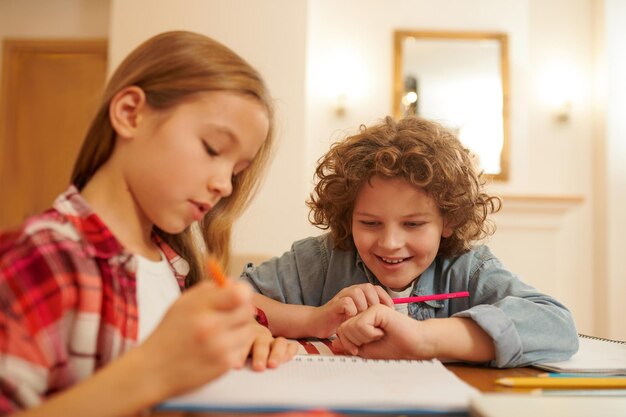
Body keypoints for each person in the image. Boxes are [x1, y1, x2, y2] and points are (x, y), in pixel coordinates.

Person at [0, 31, 298, 416]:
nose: (224, 185)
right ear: (130, 114)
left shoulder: (174, 263)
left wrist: (250, 336)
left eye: (236, 171)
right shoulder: (46, 258)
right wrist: (151, 371)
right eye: (212, 149)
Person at [243, 115, 579, 368]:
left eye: (414, 224)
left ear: (449, 219)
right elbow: (232, 300)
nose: (390, 243)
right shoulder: (321, 259)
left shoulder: (468, 269)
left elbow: (555, 325)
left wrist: (424, 339)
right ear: (347, 217)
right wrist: (315, 319)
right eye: (370, 223)